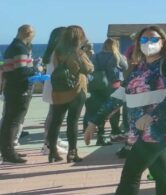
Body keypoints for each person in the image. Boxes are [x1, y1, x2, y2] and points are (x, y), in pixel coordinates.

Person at [85, 26, 166, 195]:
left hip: (157, 130)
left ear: (163, 42)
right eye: (144, 40)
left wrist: (151, 115)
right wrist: (95, 121)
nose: (149, 43)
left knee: (130, 175)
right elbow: (118, 96)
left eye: (154, 39)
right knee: (162, 175)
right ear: (138, 44)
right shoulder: (139, 68)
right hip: (140, 131)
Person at [46, 25, 94, 163]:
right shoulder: (77, 52)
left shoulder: (57, 51)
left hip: (59, 90)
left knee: (56, 121)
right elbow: (88, 68)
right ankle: (72, 152)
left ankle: (52, 152)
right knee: (72, 121)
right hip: (76, 89)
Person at [1, 25, 35, 163]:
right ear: (28, 34)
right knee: (12, 121)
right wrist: (35, 69)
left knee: (9, 120)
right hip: (18, 88)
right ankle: (9, 153)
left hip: (11, 87)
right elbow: (21, 71)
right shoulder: (20, 48)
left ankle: (7, 151)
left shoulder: (12, 47)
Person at [87, 37, 128, 145]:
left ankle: (100, 137)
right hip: (113, 86)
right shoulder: (117, 56)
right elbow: (125, 66)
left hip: (99, 86)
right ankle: (114, 133)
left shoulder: (95, 56)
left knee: (101, 110)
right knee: (114, 111)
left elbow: (91, 69)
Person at [39, 26, 66, 159]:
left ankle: (50, 141)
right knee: (54, 116)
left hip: (51, 84)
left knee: (52, 114)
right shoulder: (58, 51)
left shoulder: (50, 50)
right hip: (56, 85)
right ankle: (49, 144)